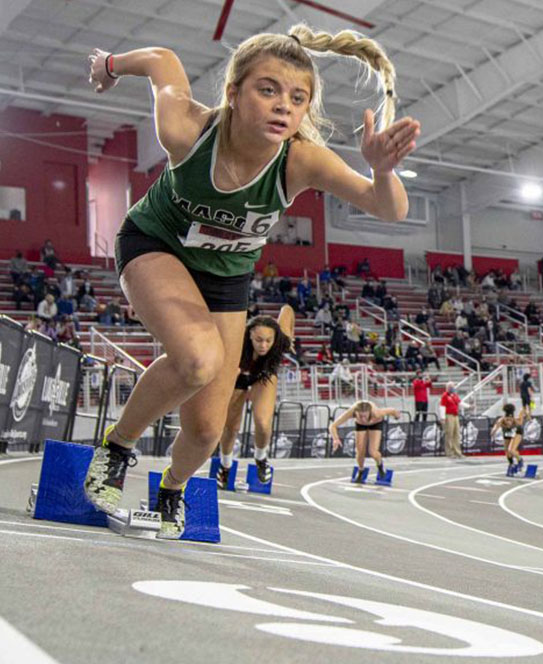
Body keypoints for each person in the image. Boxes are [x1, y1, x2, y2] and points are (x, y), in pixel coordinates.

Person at [81, 25, 420, 538]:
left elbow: (388, 209)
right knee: (197, 359)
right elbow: (162, 59)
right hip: (157, 246)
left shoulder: (301, 158)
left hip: (226, 279)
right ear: (234, 94)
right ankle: (116, 449)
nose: (284, 106)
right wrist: (110, 65)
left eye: (297, 97)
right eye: (268, 89)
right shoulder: (187, 131)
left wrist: (381, 171)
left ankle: (171, 490)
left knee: (206, 430)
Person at [215, 306, 294, 488]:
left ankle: (261, 458)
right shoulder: (236, 343)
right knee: (230, 427)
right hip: (237, 376)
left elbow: (287, 310)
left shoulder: (282, 340)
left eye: (268, 340)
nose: (264, 345)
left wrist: (293, 334)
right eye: (259, 340)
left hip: (263, 376)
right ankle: (225, 465)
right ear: (249, 335)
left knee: (263, 422)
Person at [329, 400, 400, 482]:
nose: (363, 418)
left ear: (369, 412)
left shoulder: (376, 413)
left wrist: (396, 416)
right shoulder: (351, 412)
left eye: (365, 416)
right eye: (360, 416)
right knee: (359, 451)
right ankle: (361, 469)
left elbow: (392, 410)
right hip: (360, 426)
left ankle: (380, 466)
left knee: (373, 452)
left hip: (375, 424)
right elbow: (333, 426)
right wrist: (335, 439)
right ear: (356, 412)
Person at [491, 403, 525, 470]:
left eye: (510, 419)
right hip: (507, 434)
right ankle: (511, 464)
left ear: (512, 418)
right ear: (505, 418)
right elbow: (495, 427)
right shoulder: (501, 420)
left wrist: (522, 413)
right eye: (507, 420)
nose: (509, 422)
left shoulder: (516, 421)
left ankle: (520, 460)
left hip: (517, 433)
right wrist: (493, 432)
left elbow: (520, 423)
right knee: (507, 451)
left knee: (511, 450)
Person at [440, 382, 464, 458]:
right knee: (449, 434)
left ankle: (457, 452)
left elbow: (460, 403)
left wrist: (469, 406)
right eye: (451, 386)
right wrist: (443, 417)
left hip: (455, 415)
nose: (453, 388)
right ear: (447, 387)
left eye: (453, 386)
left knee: (456, 434)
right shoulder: (445, 396)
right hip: (449, 415)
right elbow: (442, 407)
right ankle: (449, 452)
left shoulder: (455, 395)